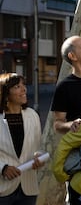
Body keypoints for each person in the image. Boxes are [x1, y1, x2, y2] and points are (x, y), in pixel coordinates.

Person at [0, 73, 45, 205]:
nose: (24, 89)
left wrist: (39, 157)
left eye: (23, 85)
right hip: (3, 189)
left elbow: (38, 147)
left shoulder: (33, 115)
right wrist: (3, 168)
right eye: (17, 86)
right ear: (5, 93)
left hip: (28, 188)